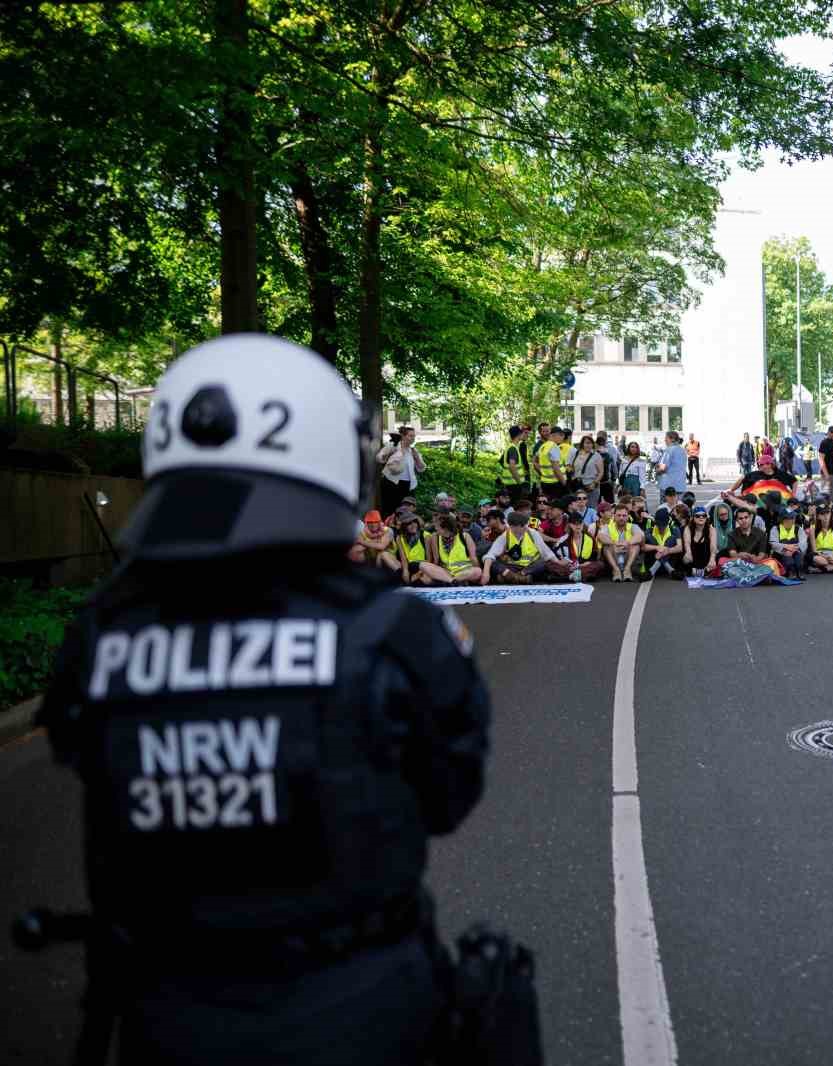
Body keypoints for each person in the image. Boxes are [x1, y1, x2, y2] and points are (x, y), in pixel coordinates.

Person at [34, 334, 498, 1066]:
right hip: (365, 1005)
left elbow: (83, 757)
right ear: (328, 454)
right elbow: (448, 796)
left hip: (167, 1014)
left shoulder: (99, 637)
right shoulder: (394, 631)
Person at [479, 509, 552, 585]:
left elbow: (546, 553)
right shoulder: (490, 532)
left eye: (489, 520)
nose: (488, 523)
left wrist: (559, 562)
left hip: (529, 565)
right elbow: (490, 554)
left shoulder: (531, 533)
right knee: (491, 561)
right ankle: (520, 578)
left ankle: (514, 577)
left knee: (544, 561)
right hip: (510, 565)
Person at [420, 512, 482, 587]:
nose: (435, 528)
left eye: (437, 526)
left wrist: (479, 575)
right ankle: (453, 581)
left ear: (445, 528)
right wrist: (432, 572)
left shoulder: (464, 536)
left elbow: (473, 558)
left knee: (477, 571)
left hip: (464, 571)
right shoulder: (435, 537)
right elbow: (436, 560)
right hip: (445, 572)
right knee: (423, 568)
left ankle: (450, 581)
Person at [376, 425, 426, 515]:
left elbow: (421, 469)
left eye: (414, 436)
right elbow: (379, 457)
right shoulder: (394, 446)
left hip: (409, 485)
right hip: (392, 482)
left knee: (407, 510)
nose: (413, 438)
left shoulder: (413, 450)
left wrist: (417, 457)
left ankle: (403, 528)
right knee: (390, 509)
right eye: (410, 436)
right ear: (403, 436)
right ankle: (389, 528)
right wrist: (388, 454)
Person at [599, 504, 644, 583]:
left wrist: (627, 543)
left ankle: (627, 570)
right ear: (614, 516)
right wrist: (614, 543)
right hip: (614, 557)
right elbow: (601, 536)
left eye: (624, 515)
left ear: (628, 516)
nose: (621, 518)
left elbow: (640, 536)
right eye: (619, 515)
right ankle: (616, 570)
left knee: (635, 546)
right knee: (607, 546)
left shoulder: (633, 526)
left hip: (628, 557)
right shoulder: (607, 527)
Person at [639, 506, 685, 580]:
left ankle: (651, 572)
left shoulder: (674, 530)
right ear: (655, 522)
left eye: (663, 525)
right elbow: (643, 547)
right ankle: (671, 571)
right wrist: (657, 547)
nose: (661, 527)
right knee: (652, 540)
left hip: (669, 561)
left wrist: (666, 551)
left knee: (671, 540)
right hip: (653, 560)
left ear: (667, 523)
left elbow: (680, 548)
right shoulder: (649, 531)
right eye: (658, 525)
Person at [350, 509, 398, 576]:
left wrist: (362, 542)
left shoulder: (387, 530)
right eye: (370, 522)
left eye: (375, 522)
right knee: (357, 552)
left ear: (379, 522)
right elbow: (355, 550)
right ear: (366, 523)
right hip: (374, 564)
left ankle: (399, 575)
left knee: (382, 554)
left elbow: (382, 546)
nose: (373, 524)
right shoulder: (363, 533)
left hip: (392, 562)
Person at [767, 507, 809, 579]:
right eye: (790, 518)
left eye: (793, 517)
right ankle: (790, 572)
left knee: (798, 556)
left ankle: (799, 571)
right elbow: (773, 543)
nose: (793, 520)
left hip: (795, 550)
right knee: (787, 556)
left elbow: (804, 542)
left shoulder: (798, 529)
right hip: (781, 553)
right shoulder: (775, 529)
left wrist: (794, 549)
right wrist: (786, 547)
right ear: (783, 519)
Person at [534, 426, 569, 503]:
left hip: (544, 482)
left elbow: (535, 462)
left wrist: (542, 473)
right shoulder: (554, 447)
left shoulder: (543, 446)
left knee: (548, 504)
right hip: (555, 483)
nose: (562, 438)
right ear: (554, 435)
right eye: (561, 435)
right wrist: (564, 483)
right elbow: (556, 468)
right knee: (557, 505)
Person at [683, 506, 718, 577]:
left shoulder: (711, 529)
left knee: (717, 558)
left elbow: (713, 546)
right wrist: (688, 552)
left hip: (706, 560)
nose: (701, 517)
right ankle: (696, 571)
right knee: (686, 558)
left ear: (706, 517)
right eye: (697, 516)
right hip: (693, 559)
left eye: (704, 515)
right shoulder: (688, 528)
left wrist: (712, 559)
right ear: (693, 518)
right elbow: (687, 542)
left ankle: (702, 571)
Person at [502, 424, 532, 501]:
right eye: (522, 433)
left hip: (511, 484)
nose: (524, 434)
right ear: (519, 435)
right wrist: (520, 483)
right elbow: (512, 466)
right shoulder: (513, 448)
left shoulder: (512, 447)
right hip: (514, 485)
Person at [656, 430, 689, 502]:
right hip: (680, 485)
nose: (665, 440)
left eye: (666, 438)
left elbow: (663, 468)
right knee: (678, 509)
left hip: (668, 486)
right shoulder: (683, 450)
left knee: (666, 509)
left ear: (672, 439)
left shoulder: (669, 450)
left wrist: (657, 471)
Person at [571, 434, 604, 504]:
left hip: (591, 486)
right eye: (586, 443)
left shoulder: (596, 456)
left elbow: (601, 472)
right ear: (582, 444)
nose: (588, 445)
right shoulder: (576, 454)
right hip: (578, 486)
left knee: (591, 507)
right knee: (579, 507)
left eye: (590, 443)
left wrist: (594, 483)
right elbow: (573, 467)